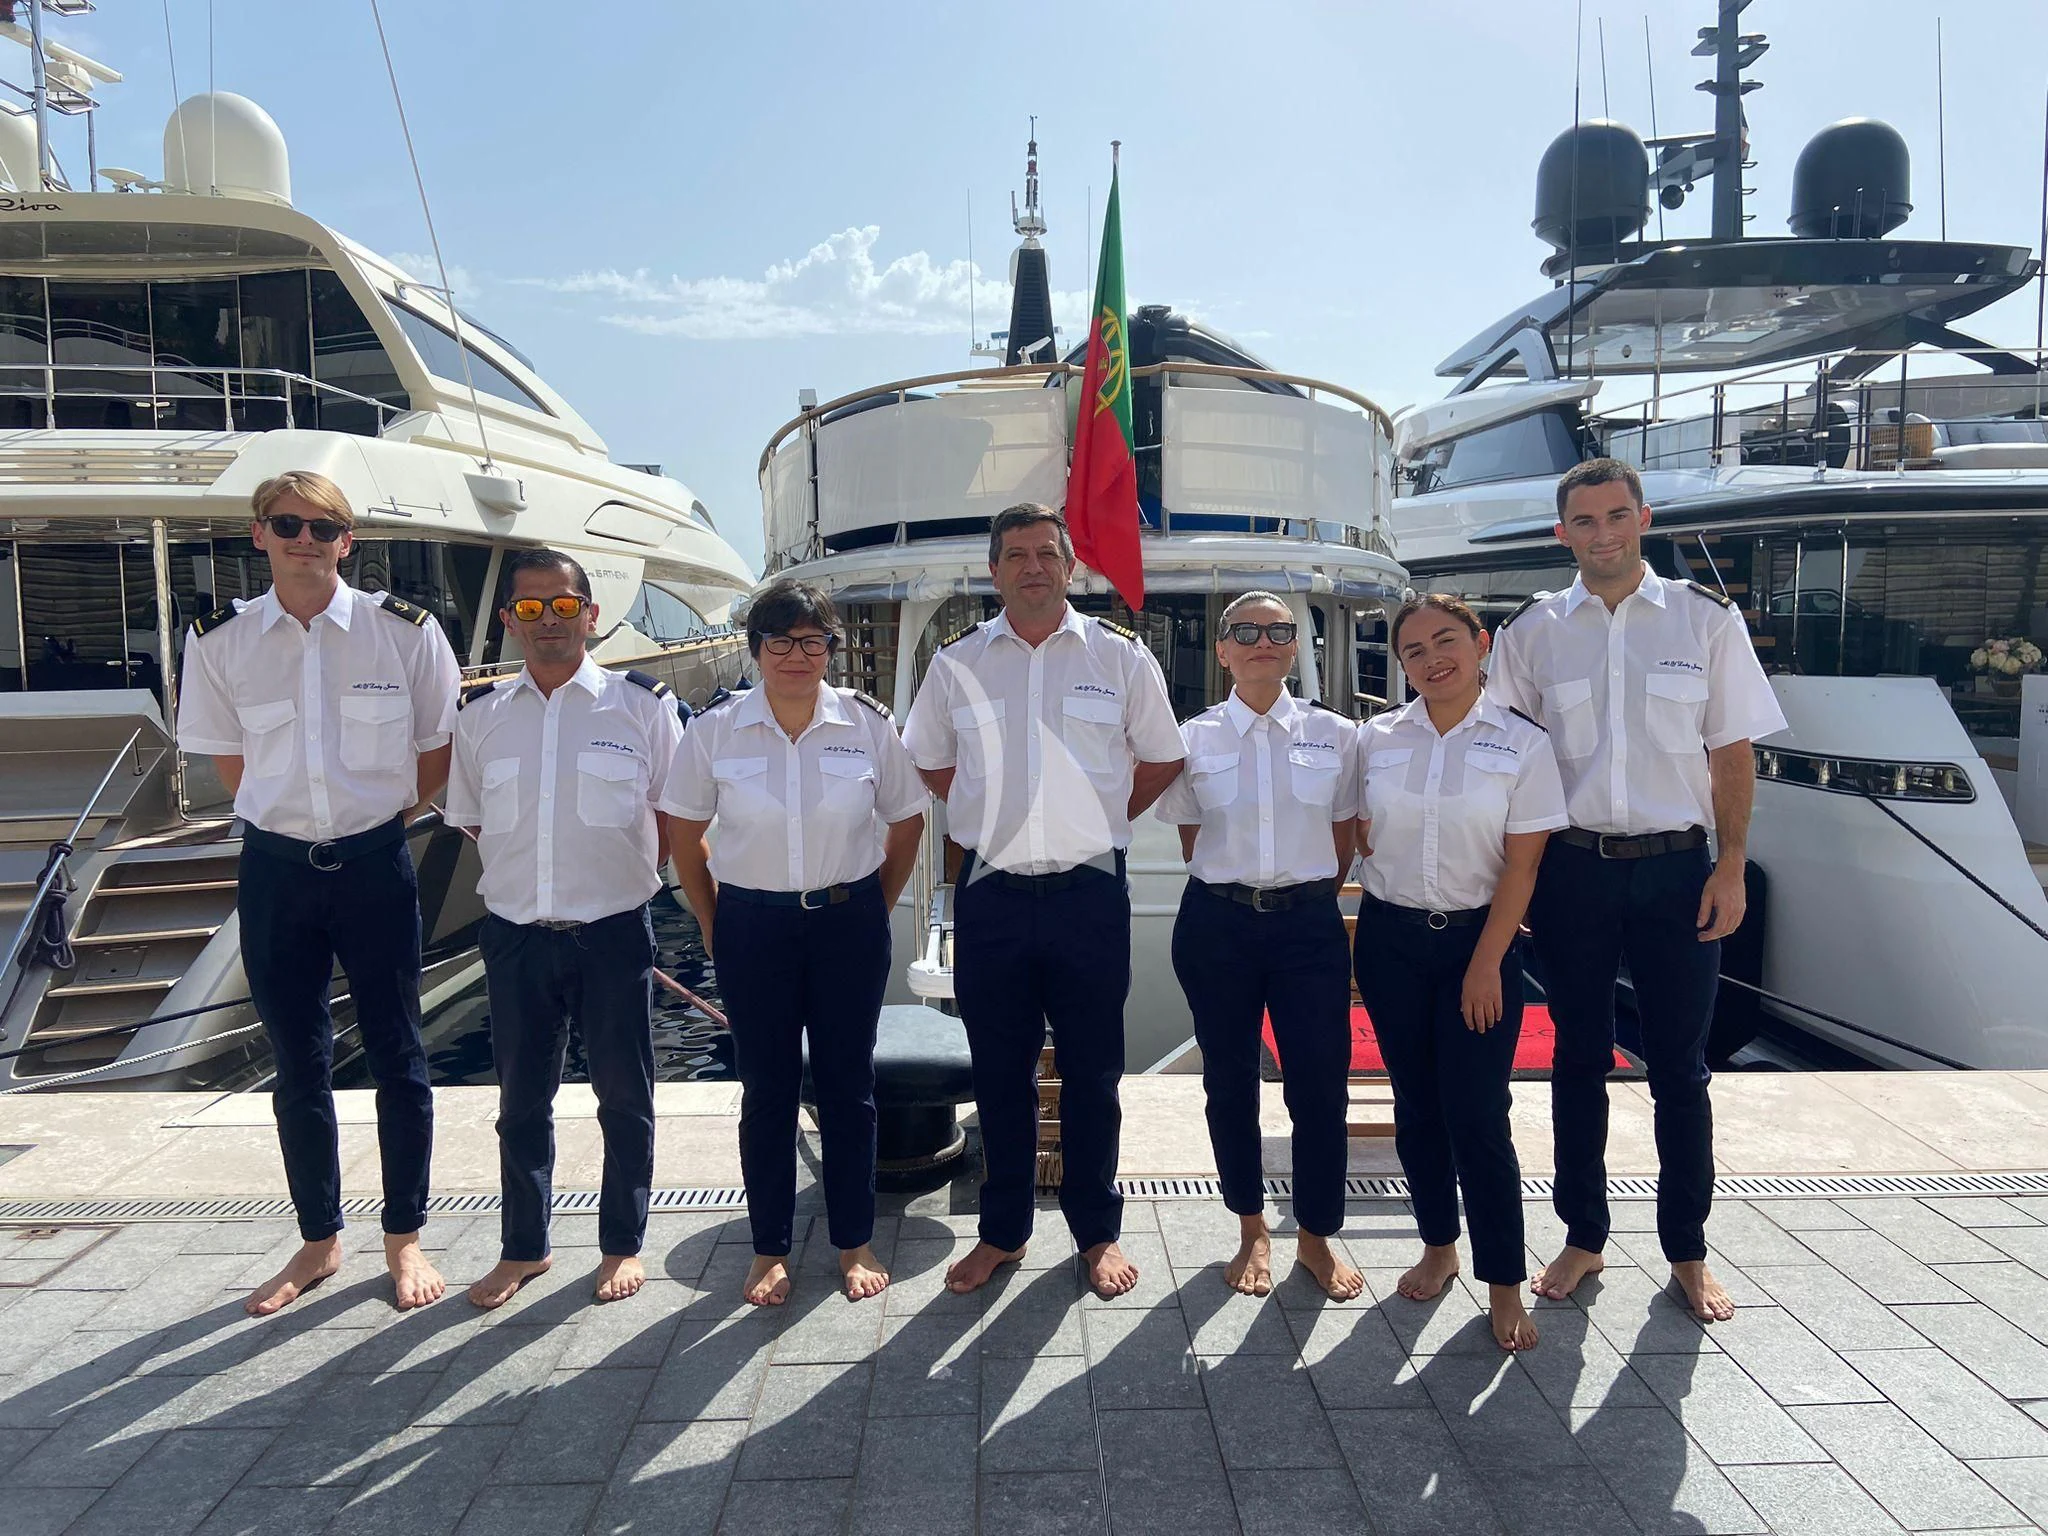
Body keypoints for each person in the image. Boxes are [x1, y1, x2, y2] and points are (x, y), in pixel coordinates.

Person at [1486, 458, 1787, 1323]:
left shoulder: (1703, 622)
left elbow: (1733, 753)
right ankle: (1584, 1235)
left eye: (1617, 515)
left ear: (1643, 518)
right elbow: (1503, 756)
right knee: (1576, 1060)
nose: (1603, 534)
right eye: (1584, 521)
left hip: (1677, 871)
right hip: (1572, 873)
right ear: (1562, 533)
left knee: (1681, 1071)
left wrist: (1731, 867)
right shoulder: (1535, 633)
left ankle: (1687, 1250)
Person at [176, 470, 459, 1315]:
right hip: (276, 871)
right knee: (296, 1064)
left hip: (374, 864)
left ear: (348, 539)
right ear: (259, 535)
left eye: (323, 526)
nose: (306, 539)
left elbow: (435, 757)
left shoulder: (404, 635)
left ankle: (404, 1237)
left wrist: (369, 825)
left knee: (400, 1055)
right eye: (287, 524)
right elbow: (233, 767)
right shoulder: (221, 641)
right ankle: (319, 1240)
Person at [901, 503, 1185, 1299]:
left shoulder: (1120, 659)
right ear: (994, 571)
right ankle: (1003, 1232)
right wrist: (997, 823)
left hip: (1090, 893)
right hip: (992, 894)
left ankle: (1097, 1233)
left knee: (1094, 1073)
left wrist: (1096, 821)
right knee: (1000, 1072)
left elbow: (1163, 758)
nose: (1032, 567)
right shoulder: (957, 663)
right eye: (1016, 555)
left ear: (1072, 567)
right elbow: (928, 761)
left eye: (1046, 554)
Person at [663, 579, 926, 1306]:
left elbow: (906, 820)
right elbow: (685, 836)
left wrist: (876, 904)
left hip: (848, 922)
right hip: (753, 924)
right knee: (767, 1091)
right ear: (755, 649)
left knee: (849, 1088)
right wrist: (714, 923)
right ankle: (769, 1247)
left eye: (813, 641)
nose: (796, 655)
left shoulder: (868, 725)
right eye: (779, 640)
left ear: (831, 650)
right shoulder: (714, 731)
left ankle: (854, 1240)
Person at [444, 548, 682, 1309]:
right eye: (532, 608)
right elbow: (474, 822)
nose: (550, 621)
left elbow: (675, 816)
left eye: (564, 605)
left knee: (625, 1096)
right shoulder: (480, 720)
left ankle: (622, 1243)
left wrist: (617, 876)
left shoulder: (642, 707)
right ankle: (525, 1248)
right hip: (516, 934)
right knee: (520, 1102)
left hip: (613, 930)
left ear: (592, 614)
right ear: (511, 621)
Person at [1356, 594, 1568, 1351]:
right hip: (1389, 941)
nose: (1431, 659)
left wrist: (1487, 965)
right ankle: (1439, 1246)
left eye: (1446, 641)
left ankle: (1504, 1282)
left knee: (1478, 1117)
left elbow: (1523, 866)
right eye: (1413, 650)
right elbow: (1347, 826)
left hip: (1479, 943)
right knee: (1416, 1109)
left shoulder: (1524, 744)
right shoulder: (1375, 739)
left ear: (1480, 645)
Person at [1153, 591, 1363, 1301]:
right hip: (1218, 924)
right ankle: (1250, 1227)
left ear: (1296, 646)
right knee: (1229, 1082)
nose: (1262, 641)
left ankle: (1315, 1234)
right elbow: (1192, 839)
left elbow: (1343, 839)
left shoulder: (1338, 735)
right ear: (1222, 650)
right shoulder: (1193, 739)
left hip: (1307, 926)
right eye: (1245, 631)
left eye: (1278, 630)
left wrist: (1298, 894)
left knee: (1319, 1085)